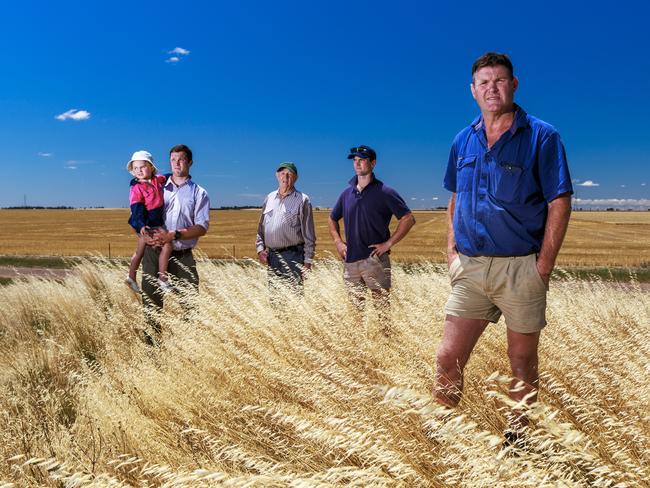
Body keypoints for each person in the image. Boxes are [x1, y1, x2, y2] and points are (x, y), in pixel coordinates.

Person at [434, 52, 573, 440]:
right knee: (448, 356)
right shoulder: (463, 140)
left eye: (499, 81)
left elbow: (559, 199)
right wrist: (452, 251)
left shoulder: (542, 136)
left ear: (514, 85)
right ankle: (444, 438)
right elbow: (456, 197)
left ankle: (518, 441)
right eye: (483, 82)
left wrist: (542, 266)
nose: (491, 88)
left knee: (522, 361)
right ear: (472, 90)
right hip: (471, 269)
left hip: (520, 268)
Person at [328, 145, 415, 320]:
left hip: (375, 260)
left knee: (382, 312)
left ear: (373, 163)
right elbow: (332, 218)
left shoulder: (385, 192)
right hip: (350, 261)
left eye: (362, 160)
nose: (357, 163)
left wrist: (388, 243)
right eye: (355, 160)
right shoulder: (346, 194)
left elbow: (408, 218)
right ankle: (360, 346)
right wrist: (338, 242)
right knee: (356, 314)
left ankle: (386, 345)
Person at [141, 144, 210, 336]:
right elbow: (142, 212)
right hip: (154, 253)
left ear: (190, 162)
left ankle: (189, 348)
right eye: (173, 159)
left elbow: (202, 227)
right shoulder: (157, 186)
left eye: (180, 159)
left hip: (182, 256)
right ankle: (152, 350)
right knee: (151, 303)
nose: (176, 163)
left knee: (190, 304)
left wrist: (175, 234)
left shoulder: (199, 193)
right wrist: (144, 234)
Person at [255, 162, 316, 290]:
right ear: (277, 176)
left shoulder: (302, 199)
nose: (285, 177)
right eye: (282, 174)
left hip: (293, 256)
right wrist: (260, 249)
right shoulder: (269, 198)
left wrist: (308, 261)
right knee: (275, 298)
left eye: (289, 174)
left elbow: (309, 234)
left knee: (294, 298)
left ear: (296, 178)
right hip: (272, 256)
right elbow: (261, 227)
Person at [125, 150, 174, 294]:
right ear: (132, 171)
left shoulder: (157, 180)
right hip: (147, 223)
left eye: (142, 167)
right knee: (167, 244)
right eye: (135, 168)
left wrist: (175, 175)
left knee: (139, 251)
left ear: (151, 167)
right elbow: (136, 208)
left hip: (151, 222)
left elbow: (166, 177)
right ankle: (163, 279)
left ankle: (131, 277)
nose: (139, 171)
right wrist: (140, 224)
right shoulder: (136, 188)